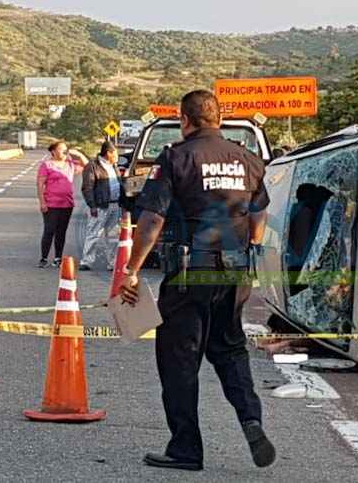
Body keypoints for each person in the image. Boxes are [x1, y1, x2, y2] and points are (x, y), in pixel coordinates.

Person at [119, 90, 275, 471]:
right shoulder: (248, 159)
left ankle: (186, 449)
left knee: (180, 359)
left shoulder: (175, 158)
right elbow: (258, 225)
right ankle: (250, 419)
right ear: (219, 119)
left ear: (184, 119)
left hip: (190, 275)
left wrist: (132, 270)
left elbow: (152, 221)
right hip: (235, 273)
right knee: (230, 349)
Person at [36, 141, 89, 268]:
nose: (64, 152)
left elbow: (87, 165)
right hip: (51, 203)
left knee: (61, 232)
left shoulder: (70, 164)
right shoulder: (46, 165)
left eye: (66, 149)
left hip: (67, 204)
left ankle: (58, 258)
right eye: (61, 149)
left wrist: (77, 153)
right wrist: (42, 202)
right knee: (49, 230)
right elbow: (39, 184)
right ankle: (44, 258)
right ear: (53, 151)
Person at [79, 141, 127, 271]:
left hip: (115, 205)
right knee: (93, 233)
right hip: (100, 206)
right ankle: (87, 261)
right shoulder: (93, 166)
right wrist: (92, 206)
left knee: (113, 236)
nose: (117, 156)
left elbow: (119, 184)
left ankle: (113, 263)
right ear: (108, 153)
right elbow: (87, 188)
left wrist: (123, 204)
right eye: (115, 154)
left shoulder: (114, 166)